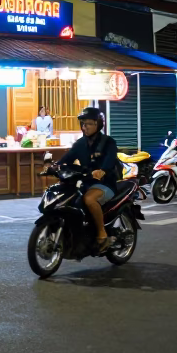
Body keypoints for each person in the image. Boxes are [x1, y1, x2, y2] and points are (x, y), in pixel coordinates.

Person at [58, 107, 120, 251]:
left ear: (98, 124)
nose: (85, 127)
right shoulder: (80, 143)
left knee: (89, 200)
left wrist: (102, 170)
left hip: (105, 183)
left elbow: (110, 160)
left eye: (89, 124)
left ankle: (102, 234)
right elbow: (67, 158)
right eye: (83, 124)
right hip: (86, 183)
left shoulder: (108, 142)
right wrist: (55, 166)